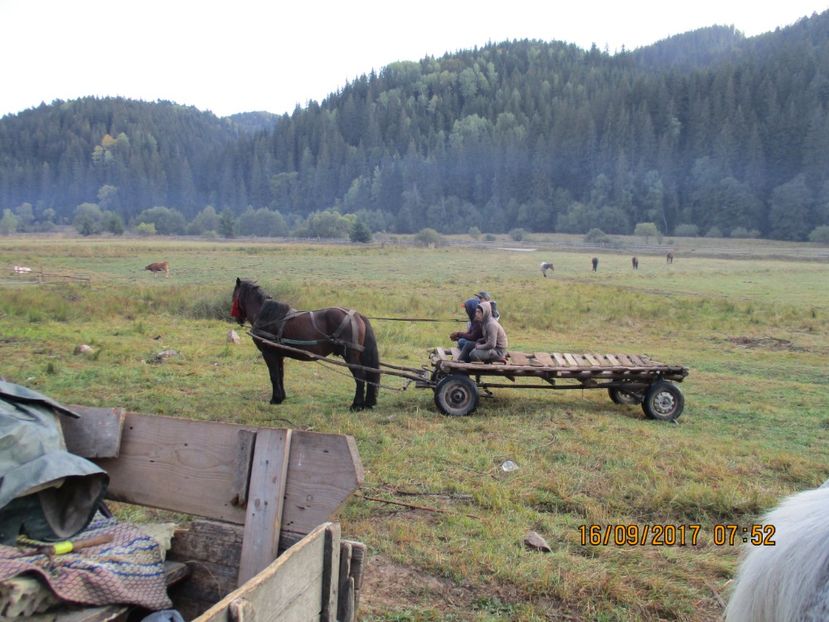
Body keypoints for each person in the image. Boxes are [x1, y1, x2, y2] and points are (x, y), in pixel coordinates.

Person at [449, 297, 483, 362]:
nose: (466, 311)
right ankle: (466, 356)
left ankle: (467, 358)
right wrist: (458, 336)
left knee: (463, 342)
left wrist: (458, 334)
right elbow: (470, 333)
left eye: (467, 309)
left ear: (470, 309)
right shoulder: (474, 319)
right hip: (476, 342)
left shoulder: (478, 321)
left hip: (480, 345)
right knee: (461, 341)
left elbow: (472, 337)